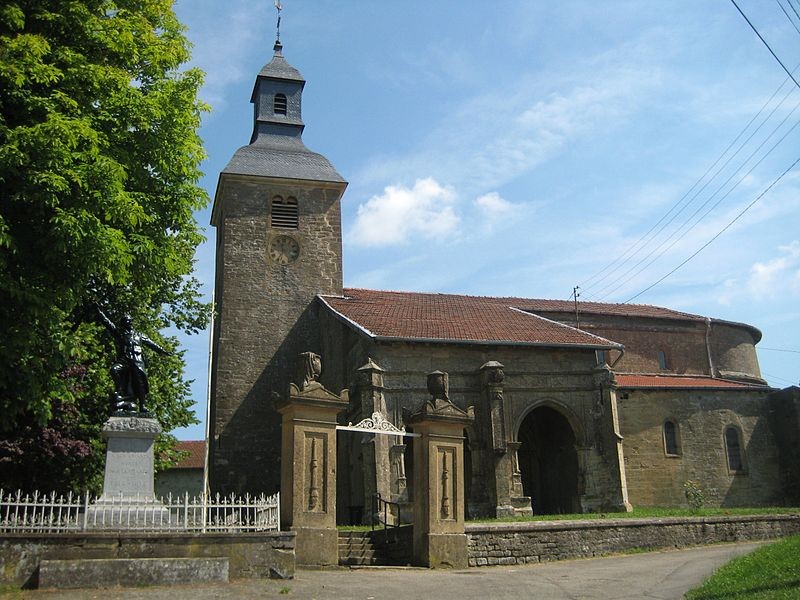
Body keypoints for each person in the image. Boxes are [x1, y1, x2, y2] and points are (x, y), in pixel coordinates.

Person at [95, 306, 169, 414]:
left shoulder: (139, 335)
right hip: (124, 359)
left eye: (129, 320)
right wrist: (99, 312)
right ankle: (120, 390)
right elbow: (108, 324)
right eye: (125, 321)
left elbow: (151, 343)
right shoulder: (120, 334)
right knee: (113, 370)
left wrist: (162, 351)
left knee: (140, 383)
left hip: (137, 360)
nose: (127, 322)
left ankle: (142, 405)